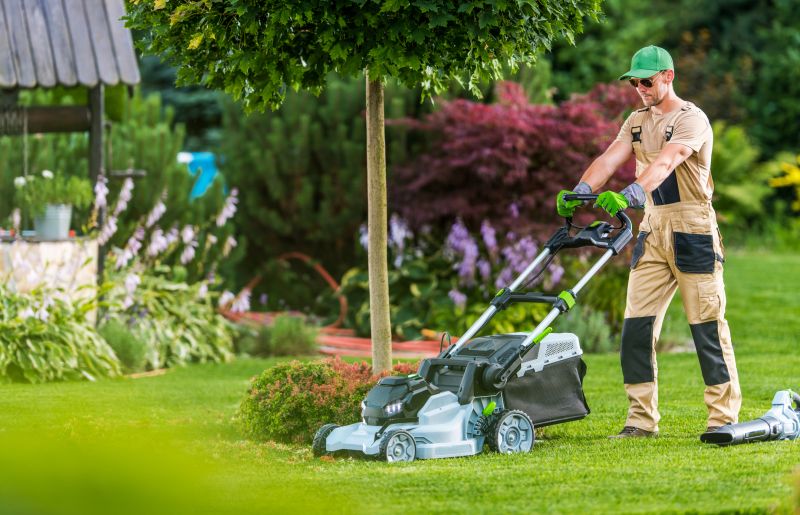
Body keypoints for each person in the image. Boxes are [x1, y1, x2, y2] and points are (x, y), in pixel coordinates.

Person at [556, 45, 741, 438]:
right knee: (636, 327)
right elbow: (609, 159)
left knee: (707, 328)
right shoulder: (636, 121)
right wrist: (579, 191)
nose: (639, 88)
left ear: (668, 76)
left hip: (693, 228)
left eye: (646, 81)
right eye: (634, 82)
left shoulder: (691, 119)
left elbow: (666, 162)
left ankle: (723, 419)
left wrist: (629, 195)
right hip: (653, 229)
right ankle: (640, 421)